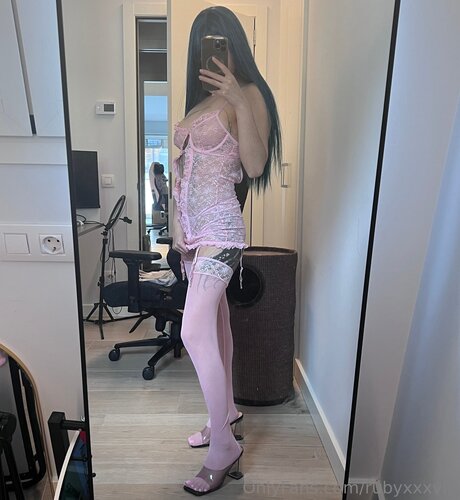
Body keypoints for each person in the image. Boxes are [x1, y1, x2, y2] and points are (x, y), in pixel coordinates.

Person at [171, 5, 281, 496]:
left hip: (222, 230)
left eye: (221, 41)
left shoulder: (248, 93)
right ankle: (227, 414)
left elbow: (254, 166)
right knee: (216, 328)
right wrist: (177, 226)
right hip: (193, 235)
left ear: (235, 44)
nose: (214, 52)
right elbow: (181, 174)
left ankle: (224, 447)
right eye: (205, 42)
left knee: (192, 330)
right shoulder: (197, 105)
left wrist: (237, 96)